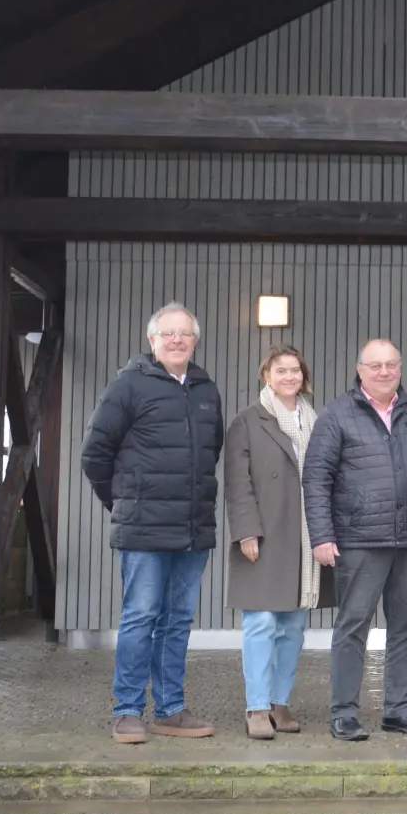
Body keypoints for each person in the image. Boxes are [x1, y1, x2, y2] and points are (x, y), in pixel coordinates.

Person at [302, 338, 407, 741]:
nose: (384, 372)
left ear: (400, 367)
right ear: (360, 370)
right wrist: (322, 536)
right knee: (353, 625)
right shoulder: (337, 414)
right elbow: (316, 480)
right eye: (375, 365)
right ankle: (344, 712)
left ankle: (399, 710)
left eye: (391, 364)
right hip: (359, 539)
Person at [81, 301, 224, 745]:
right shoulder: (128, 387)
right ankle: (126, 710)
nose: (177, 340)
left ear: (195, 340)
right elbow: (95, 455)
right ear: (152, 341)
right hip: (143, 529)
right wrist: (125, 502)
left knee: (178, 621)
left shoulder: (206, 390)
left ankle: (170, 709)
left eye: (185, 333)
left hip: (192, 529)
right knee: (140, 618)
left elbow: (209, 455)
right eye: (168, 334)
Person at [222, 344, 336, 741]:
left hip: (305, 536)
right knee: (261, 622)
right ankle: (256, 707)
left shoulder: (317, 421)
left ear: (304, 377)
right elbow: (238, 483)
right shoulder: (247, 421)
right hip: (266, 534)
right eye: (280, 370)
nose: (289, 377)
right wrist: (246, 530)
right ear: (265, 375)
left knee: (293, 625)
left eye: (295, 371)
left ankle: (279, 701)